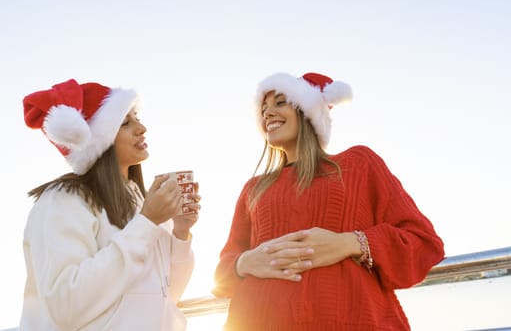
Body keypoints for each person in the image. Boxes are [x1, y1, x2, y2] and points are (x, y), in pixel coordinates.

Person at [213, 72, 445, 330]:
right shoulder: (254, 188)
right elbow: (222, 275)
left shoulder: (358, 163)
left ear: (308, 111)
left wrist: (350, 243)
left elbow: (423, 243)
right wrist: (243, 263)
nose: (267, 113)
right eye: (263, 108)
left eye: (280, 103)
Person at [20, 79, 200, 330]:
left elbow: (167, 296)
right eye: (125, 123)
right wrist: (146, 222)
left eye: (137, 117)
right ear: (100, 141)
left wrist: (181, 232)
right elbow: (65, 305)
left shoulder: (139, 201)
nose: (142, 128)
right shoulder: (61, 201)